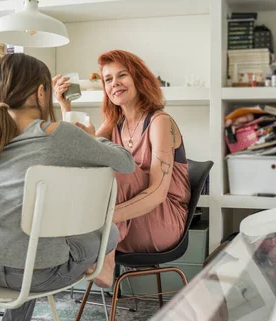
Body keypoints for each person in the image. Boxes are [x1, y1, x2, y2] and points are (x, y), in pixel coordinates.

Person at [0, 53, 135, 321]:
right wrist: (95, 139)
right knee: (108, 232)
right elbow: (126, 163)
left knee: (33, 241)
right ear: (41, 92)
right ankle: (97, 268)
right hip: (40, 272)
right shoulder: (60, 135)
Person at [53, 50, 191, 274]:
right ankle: (80, 243)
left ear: (139, 78)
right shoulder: (113, 124)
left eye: (122, 75)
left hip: (162, 223)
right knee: (92, 164)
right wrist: (65, 107)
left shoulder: (160, 122)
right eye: (108, 79)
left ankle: (101, 258)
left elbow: (157, 194)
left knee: (116, 167)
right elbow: (81, 158)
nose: (114, 83)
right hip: (125, 223)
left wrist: (105, 218)